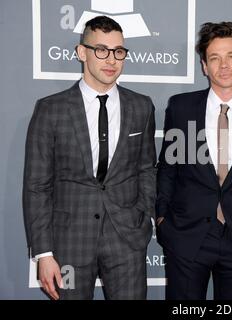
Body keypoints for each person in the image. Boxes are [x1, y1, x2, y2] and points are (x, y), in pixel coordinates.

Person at [23, 16, 157, 300]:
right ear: (81, 52)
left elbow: (147, 167)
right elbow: (37, 186)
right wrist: (44, 253)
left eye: (118, 51)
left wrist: (142, 214)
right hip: (69, 242)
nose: (111, 59)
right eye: (101, 50)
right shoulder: (51, 110)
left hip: (127, 239)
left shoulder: (141, 106)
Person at [156, 21, 232, 300]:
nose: (223, 65)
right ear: (204, 65)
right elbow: (168, 168)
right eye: (215, 58)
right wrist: (163, 218)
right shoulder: (181, 108)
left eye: (231, 56)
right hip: (186, 237)